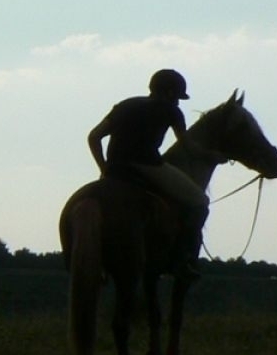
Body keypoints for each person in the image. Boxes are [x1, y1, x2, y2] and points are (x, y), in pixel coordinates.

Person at [87, 68, 209, 277]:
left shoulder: (125, 105)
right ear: (170, 93)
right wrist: (213, 156)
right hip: (148, 166)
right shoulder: (171, 111)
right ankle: (184, 261)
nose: (178, 102)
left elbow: (94, 137)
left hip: (115, 169)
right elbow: (187, 146)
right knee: (200, 202)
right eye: (178, 97)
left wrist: (104, 168)